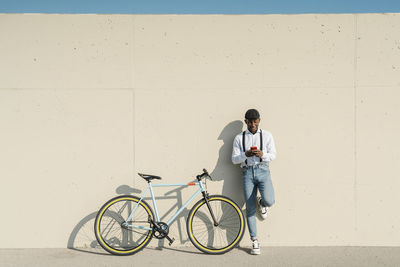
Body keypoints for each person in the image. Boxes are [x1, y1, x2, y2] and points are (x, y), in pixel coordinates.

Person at [231, 109, 276, 255]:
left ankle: (262, 203)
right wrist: (246, 154)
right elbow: (234, 159)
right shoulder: (239, 138)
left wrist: (262, 155)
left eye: (255, 121)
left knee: (270, 200)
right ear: (246, 122)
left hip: (263, 170)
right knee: (250, 209)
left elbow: (273, 154)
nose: (252, 124)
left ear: (259, 120)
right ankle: (254, 241)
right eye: (250, 121)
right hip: (247, 173)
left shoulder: (267, 135)